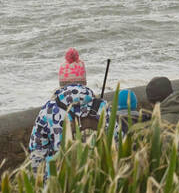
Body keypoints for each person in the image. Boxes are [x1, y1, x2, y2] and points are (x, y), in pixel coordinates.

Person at [28, 48, 116, 179]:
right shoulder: (102, 106)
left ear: (61, 83)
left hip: (58, 182)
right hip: (96, 177)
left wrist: (38, 181)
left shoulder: (49, 109)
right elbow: (116, 140)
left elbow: (37, 150)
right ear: (84, 82)